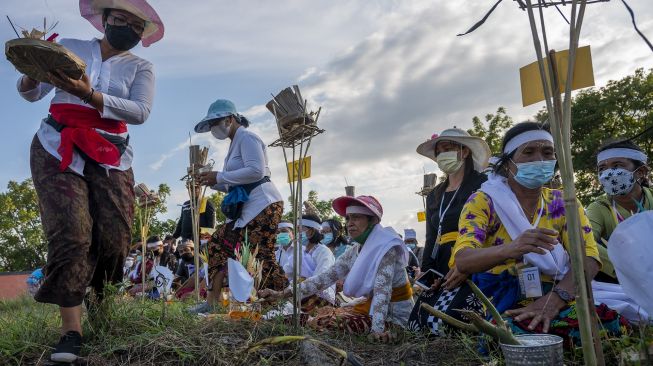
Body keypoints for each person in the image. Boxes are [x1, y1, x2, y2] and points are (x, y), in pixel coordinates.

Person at [16, 1, 163, 362]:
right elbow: (32, 93)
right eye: (119, 19)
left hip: (111, 153)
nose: (126, 27)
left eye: (135, 25)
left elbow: (141, 111)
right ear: (104, 19)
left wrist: (89, 95)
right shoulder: (71, 47)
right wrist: (33, 71)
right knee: (72, 231)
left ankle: (102, 304)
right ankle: (71, 331)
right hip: (57, 145)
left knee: (114, 236)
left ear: (141, 34)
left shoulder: (141, 66)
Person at [451, 122, 628, 343]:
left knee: (609, 323)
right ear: (508, 164)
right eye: (528, 152)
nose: (540, 160)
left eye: (547, 152)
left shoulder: (564, 202)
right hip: (502, 297)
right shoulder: (484, 201)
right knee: (511, 334)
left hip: (558, 293)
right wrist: (511, 249)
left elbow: (588, 258)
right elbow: (464, 260)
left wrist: (554, 300)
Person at [260, 195, 413, 342]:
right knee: (321, 316)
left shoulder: (386, 248)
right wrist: (281, 294)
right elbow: (323, 279)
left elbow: (382, 294)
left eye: (356, 217)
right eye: (348, 218)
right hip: (368, 309)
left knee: (328, 322)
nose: (350, 223)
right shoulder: (354, 251)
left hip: (393, 318)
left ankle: (303, 320)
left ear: (373, 221)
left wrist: (377, 332)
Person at [193, 99, 286, 313]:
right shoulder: (234, 144)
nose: (214, 128)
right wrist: (213, 182)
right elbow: (234, 183)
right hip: (247, 206)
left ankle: (282, 299)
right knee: (218, 244)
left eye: (217, 122)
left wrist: (220, 175)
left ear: (230, 118)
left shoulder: (248, 137)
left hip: (263, 203)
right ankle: (212, 302)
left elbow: (256, 172)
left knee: (261, 254)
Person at [408, 128, 489, 335]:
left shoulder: (482, 184)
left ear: (465, 151)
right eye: (439, 151)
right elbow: (431, 235)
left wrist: (467, 265)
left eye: (448, 148)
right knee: (418, 322)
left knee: (450, 321)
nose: (443, 154)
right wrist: (427, 271)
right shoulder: (436, 194)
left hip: (473, 259)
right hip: (441, 260)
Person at [586, 139, 652, 283]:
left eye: (617, 165)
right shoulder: (599, 207)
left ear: (640, 172)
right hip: (625, 280)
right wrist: (626, 267)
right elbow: (585, 239)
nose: (608, 173)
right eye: (602, 168)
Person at [285, 215, 337, 310]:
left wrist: (299, 283)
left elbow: (321, 279)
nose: (297, 233)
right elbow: (287, 272)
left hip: (320, 297)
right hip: (299, 292)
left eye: (300, 229)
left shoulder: (324, 252)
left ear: (311, 231)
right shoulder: (299, 251)